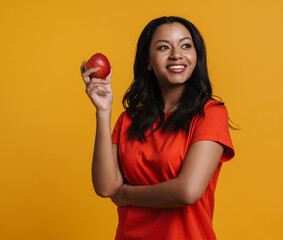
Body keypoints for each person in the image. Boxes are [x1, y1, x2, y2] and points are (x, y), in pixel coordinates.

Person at [81, 16, 235, 240]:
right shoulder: (129, 120)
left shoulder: (210, 114)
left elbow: (187, 191)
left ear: (196, 56)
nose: (176, 54)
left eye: (185, 45)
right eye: (164, 47)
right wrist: (103, 111)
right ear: (148, 62)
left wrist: (127, 194)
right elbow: (106, 187)